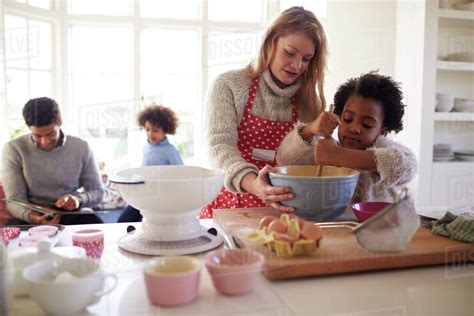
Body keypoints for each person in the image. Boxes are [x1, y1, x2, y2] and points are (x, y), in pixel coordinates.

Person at [200, 6, 328, 218]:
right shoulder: (229, 85)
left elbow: (309, 164)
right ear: (270, 43)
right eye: (289, 53)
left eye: (306, 59)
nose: (297, 65)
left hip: (287, 207)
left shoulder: (309, 101)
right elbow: (219, 146)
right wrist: (255, 185)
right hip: (231, 205)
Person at [277, 72, 417, 203]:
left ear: (383, 131)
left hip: (379, 227)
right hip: (334, 226)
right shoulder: (326, 149)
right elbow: (286, 159)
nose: (354, 128)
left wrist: (337, 156)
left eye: (367, 125)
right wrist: (310, 129)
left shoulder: (385, 149)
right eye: (348, 119)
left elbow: (405, 165)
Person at [2, 97, 104, 225]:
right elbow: (14, 200)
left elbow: (98, 192)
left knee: (94, 223)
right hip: (32, 216)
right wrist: (31, 216)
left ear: (60, 122)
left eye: (50, 134)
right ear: (29, 128)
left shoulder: (81, 147)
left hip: (70, 214)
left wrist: (78, 199)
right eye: (37, 136)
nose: (44, 142)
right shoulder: (13, 149)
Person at [117, 104, 183, 222]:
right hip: (144, 194)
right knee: (123, 220)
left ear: (166, 130)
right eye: (147, 129)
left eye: (155, 130)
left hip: (162, 196)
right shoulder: (145, 147)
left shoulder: (171, 151)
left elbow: (182, 174)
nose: (150, 134)